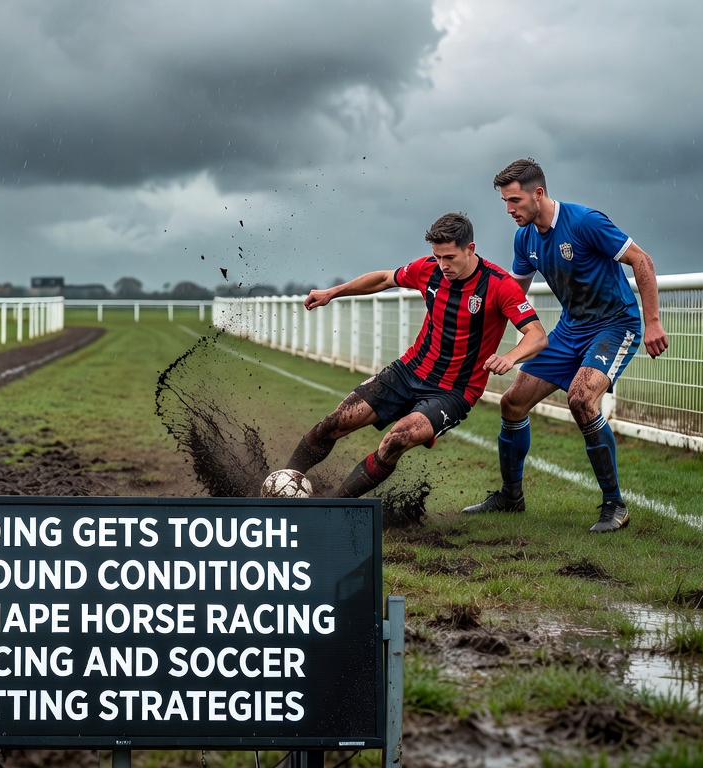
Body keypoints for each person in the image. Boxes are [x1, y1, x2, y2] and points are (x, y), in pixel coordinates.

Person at [462, 158, 670, 533]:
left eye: (515, 201)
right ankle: (511, 496)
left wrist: (653, 322)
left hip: (615, 325)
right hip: (570, 331)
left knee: (580, 399)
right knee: (512, 403)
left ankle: (614, 505)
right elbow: (514, 297)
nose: (509, 210)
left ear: (538, 193)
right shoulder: (524, 238)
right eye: (505, 202)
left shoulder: (585, 221)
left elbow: (642, 260)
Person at [282, 213, 547, 500]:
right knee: (334, 423)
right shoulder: (428, 269)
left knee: (397, 439)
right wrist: (332, 292)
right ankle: (282, 480)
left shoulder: (499, 284)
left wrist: (510, 357)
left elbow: (537, 335)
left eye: (450, 257)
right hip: (407, 372)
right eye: (437, 256)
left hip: (454, 391)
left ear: (470, 249)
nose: (443, 265)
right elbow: (384, 279)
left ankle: (333, 506)